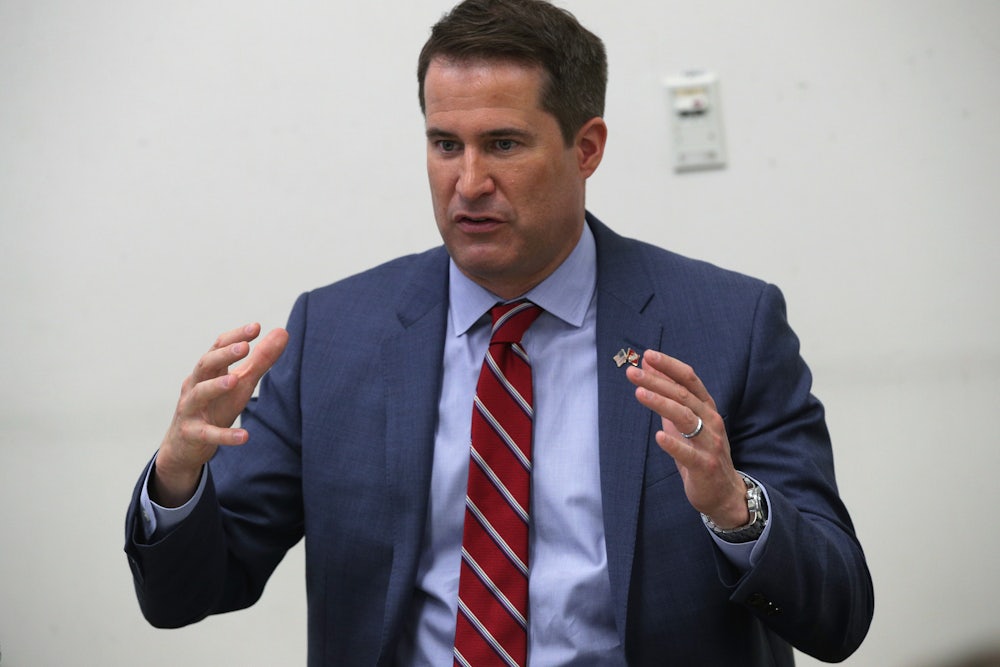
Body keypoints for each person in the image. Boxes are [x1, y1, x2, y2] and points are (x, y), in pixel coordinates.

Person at [124, 0, 874, 664]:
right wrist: (179, 477)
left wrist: (733, 508)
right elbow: (188, 593)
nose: (470, 181)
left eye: (505, 144)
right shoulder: (335, 334)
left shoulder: (727, 325)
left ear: (587, 148)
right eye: (445, 143)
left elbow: (838, 614)